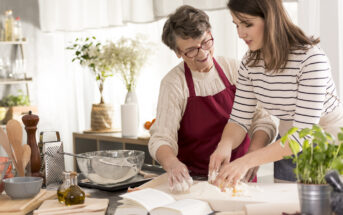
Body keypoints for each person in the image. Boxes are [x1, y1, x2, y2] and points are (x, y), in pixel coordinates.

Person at [209, 0, 343, 187]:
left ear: (271, 19)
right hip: (287, 139)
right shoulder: (250, 62)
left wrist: (249, 160)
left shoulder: (311, 59)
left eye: (247, 24)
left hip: (327, 141)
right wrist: (224, 146)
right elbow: (239, 119)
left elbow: (303, 135)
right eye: (236, 25)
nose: (240, 33)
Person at [148, 5, 277, 192]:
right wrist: (172, 164)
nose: (202, 53)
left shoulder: (235, 69)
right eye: (191, 50)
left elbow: (263, 119)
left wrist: (252, 157)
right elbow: (161, 138)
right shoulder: (174, 84)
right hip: (195, 183)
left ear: (209, 33)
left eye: (206, 42)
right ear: (177, 52)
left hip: (241, 178)